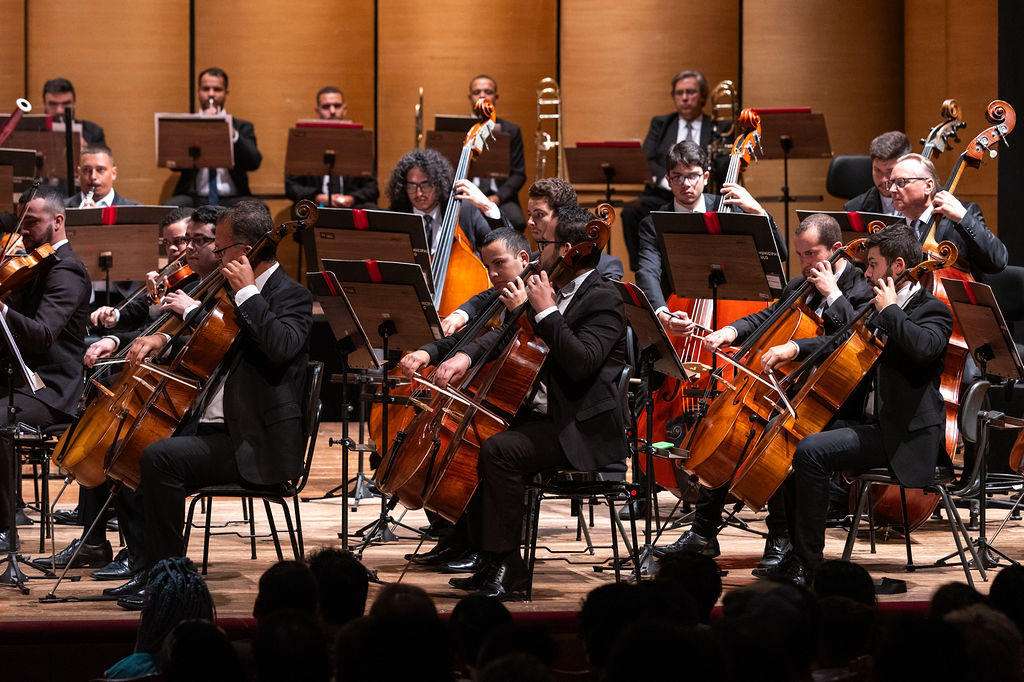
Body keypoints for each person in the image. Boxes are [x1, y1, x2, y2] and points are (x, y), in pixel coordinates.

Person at [401, 206, 628, 599]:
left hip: (577, 427)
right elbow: (509, 335)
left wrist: (546, 311)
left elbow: (582, 363)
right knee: (472, 436)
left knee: (499, 451)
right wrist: (464, 356)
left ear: (570, 248)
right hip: (541, 416)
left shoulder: (604, 297)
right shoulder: (551, 286)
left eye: (546, 245)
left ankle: (509, 564)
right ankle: (484, 555)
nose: (539, 253)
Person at [106, 200, 313, 606]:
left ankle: (169, 582)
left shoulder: (292, 296)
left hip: (253, 439)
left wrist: (249, 292)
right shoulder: (224, 290)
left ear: (245, 249)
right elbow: (210, 336)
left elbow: (279, 347)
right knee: (125, 446)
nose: (215, 256)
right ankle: (145, 566)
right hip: (212, 428)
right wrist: (162, 337)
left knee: (161, 458)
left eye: (220, 248)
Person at [654, 213, 873, 571]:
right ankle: (702, 533)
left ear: (837, 250)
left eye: (812, 253)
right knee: (731, 432)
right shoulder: (799, 285)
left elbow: (847, 340)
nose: (805, 263)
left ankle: (781, 537)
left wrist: (797, 347)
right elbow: (767, 318)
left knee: (780, 442)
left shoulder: (859, 289)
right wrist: (731, 332)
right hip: (785, 390)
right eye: (800, 254)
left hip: (829, 399)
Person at [773, 224, 953, 585]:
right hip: (872, 427)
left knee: (811, 450)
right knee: (789, 436)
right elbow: (840, 339)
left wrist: (890, 311)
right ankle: (793, 551)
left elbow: (922, 350)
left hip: (903, 437)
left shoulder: (932, 310)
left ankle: (809, 565)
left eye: (872, 264)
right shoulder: (877, 305)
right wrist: (794, 349)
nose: (866, 273)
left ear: (898, 266)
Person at [0, 186, 91, 552]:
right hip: (18, 379)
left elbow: (42, 337)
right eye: (23, 223)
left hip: (50, 389)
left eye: (32, 223)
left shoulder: (67, 271)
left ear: (58, 221)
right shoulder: (34, 265)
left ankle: (6, 530)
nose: (23, 232)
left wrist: (4, 309)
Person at [635, 140, 789, 338]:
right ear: (668, 179)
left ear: (706, 177)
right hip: (679, 314)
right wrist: (663, 314)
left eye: (692, 175)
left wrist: (759, 212)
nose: (686, 184)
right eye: (678, 177)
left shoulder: (730, 208)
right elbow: (647, 272)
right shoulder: (652, 224)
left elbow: (779, 254)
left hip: (732, 313)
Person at [620, 69, 719, 271]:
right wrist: (673, 181)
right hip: (662, 193)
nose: (684, 98)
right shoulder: (662, 123)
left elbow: (721, 164)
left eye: (690, 92)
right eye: (679, 93)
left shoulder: (718, 126)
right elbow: (647, 159)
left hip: (702, 194)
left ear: (702, 96)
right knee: (630, 212)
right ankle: (643, 270)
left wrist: (693, 181)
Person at [887, 152, 1007, 277]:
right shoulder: (894, 231)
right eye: (891, 183)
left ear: (928, 186)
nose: (891, 190)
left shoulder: (960, 217)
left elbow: (997, 262)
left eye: (901, 182)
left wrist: (963, 218)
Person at [168, 68, 263, 207]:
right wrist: (198, 128)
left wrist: (232, 134)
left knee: (260, 209)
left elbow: (254, 163)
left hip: (233, 197)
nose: (211, 94)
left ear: (226, 93)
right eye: (206, 89)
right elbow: (174, 165)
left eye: (217, 89)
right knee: (170, 209)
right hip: (193, 197)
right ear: (198, 91)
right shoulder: (187, 125)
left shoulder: (242, 127)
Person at [386, 147, 502, 255]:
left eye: (425, 184)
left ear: (439, 183)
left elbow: (502, 245)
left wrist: (488, 207)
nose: (419, 193)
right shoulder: (395, 216)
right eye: (412, 185)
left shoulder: (463, 211)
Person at [284, 86, 379, 209]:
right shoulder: (304, 142)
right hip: (315, 205)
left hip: (351, 205)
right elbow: (291, 186)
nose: (332, 111)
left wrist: (351, 198)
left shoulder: (359, 142)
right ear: (317, 111)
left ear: (344, 110)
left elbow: (372, 187)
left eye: (337, 106)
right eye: (326, 107)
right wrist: (318, 197)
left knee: (372, 209)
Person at [467, 75, 526, 230]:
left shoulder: (511, 131)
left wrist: (496, 198)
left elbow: (519, 174)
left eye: (488, 91)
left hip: (500, 196)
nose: (482, 95)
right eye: (477, 92)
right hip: (465, 194)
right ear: (470, 97)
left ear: (496, 96)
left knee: (517, 221)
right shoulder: (456, 129)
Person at [842, 131, 911, 215]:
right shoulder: (854, 209)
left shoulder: (924, 203)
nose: (884, 180)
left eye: (890, 171)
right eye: (877, 170)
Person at [64, 144, 141, 208]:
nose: (93, 177)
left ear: (114, 173)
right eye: (87, 169)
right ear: (79, 173)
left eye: (100, 169)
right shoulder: (61, 209)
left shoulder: (134, 210)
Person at [42, 77, 105, 144]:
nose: (59, 111)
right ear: (44, 104)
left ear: (74, 103)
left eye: (66, 103)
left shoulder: (94, 132)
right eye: (53, 104)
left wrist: (86, 150)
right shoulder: (31, 132)